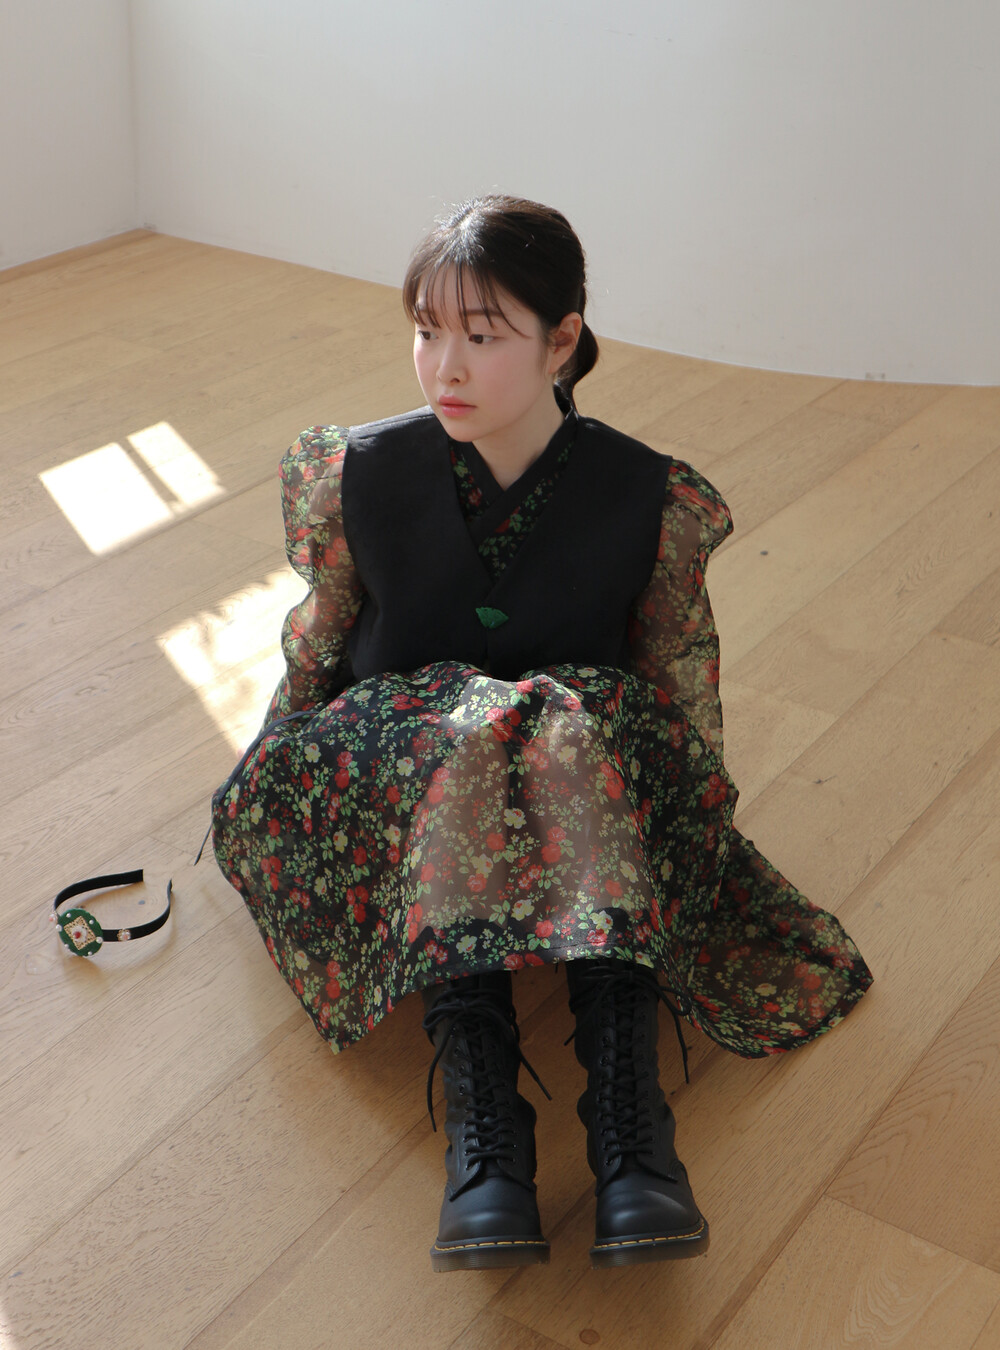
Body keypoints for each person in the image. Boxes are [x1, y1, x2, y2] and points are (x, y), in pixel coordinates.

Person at [210, 195, 872, 1272]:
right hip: (404, 764)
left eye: (482, 336)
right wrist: (262, 777)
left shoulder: (647, 495)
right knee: (473, 739)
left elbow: (674, 688)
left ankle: (629, 1125)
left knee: (562, 724)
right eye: (427, 330)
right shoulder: (357, 473)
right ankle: (489, 1130)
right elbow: (321, 642)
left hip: (578, 760)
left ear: (562, 341)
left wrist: (684, 830)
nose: (444, 367)